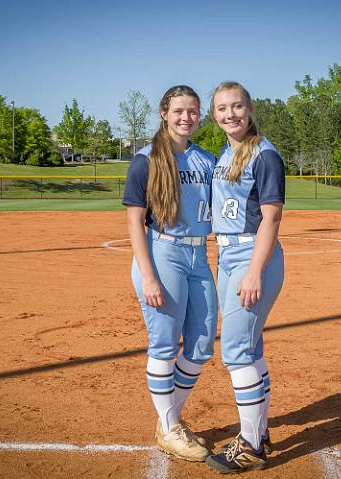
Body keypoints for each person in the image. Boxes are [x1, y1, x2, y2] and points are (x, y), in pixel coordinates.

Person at [122, 85, 217, 462]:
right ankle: (169, 424)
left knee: (204, 341)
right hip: (163, 253)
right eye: (179, 111)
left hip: (199, 256)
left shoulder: (207, 160)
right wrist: (148, 275)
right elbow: (133, 222)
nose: (186, 118)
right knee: (165, 344)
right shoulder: (145, 160)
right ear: (164, 112)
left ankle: (168, 419)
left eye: (193, 111)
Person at [204, 81, 285, 473]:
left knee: (236, 350)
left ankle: (251, 444)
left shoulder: (265, 155)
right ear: (214, 114)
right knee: (250, 347)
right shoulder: (226, 150)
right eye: (221, 108)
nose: (229, 114)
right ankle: (261, 429)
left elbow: (271, 217)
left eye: (236, 106)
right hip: (228, 254)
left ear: (250, 109)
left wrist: (254, 270)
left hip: (252, 256)